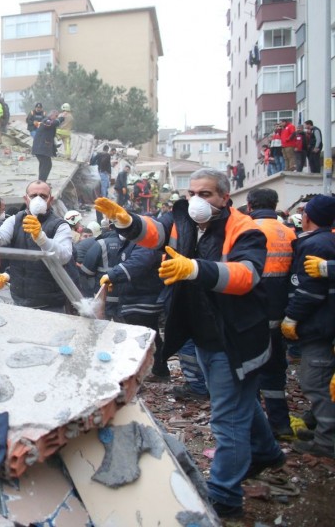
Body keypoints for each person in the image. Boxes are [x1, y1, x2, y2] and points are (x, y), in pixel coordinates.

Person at [95, 168, 282, 519]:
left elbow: (246, 276)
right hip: (202, 333)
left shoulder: (246, 230)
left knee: (227, 419)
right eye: (193, 192)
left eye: (207, 194)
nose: (197, 199)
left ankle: (224, 497)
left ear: (225, 198)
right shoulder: (181, 219)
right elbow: (154, 233)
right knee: (239, 402)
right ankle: (268, 452)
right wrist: (126, 220)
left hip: (236, 337)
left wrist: (195, 269)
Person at [281, 194, 335, 459]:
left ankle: (327, 441)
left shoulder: (316, 245)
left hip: (319, 327)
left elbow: (309, 290)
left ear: (307, 217)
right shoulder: (327, 241)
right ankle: (316, 424)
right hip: (325, 326)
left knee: (316, 382)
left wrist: (292, 317)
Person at [246, 188, 297, 440]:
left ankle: (256, 429)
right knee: (275, 369)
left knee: (250, 371)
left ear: (249, 205)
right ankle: (281, 424)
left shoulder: (245, 230)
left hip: (251, 313)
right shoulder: (289, 232)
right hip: (280, 314)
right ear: (275, 204)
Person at [0, 180, 74, 312]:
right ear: (26, 199)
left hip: (50, 303)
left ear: (50, 199)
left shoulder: (60, 225)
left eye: (43, 196)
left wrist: (42, 239)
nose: (38, 199)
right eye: (33, 195)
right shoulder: (15, 220)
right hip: (19, 299)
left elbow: (64, 256)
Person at [102, 239, 168, 378]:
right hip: (139, 297)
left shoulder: (143, 243)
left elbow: (138, 263)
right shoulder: (131, 243)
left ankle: (142, 374)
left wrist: (113, 275)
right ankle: (158, 370)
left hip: (142, 298)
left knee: (140, 339)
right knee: (148, 336)